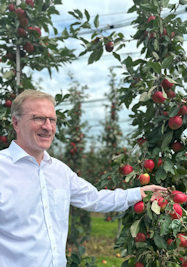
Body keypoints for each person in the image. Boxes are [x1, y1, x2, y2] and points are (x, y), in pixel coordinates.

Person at [0, 90, 166, 267]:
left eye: (52, 119)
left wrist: (139, 193)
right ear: (16, 123)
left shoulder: (59, 171)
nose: (48, 126)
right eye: (38, 118)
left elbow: (93, 198)